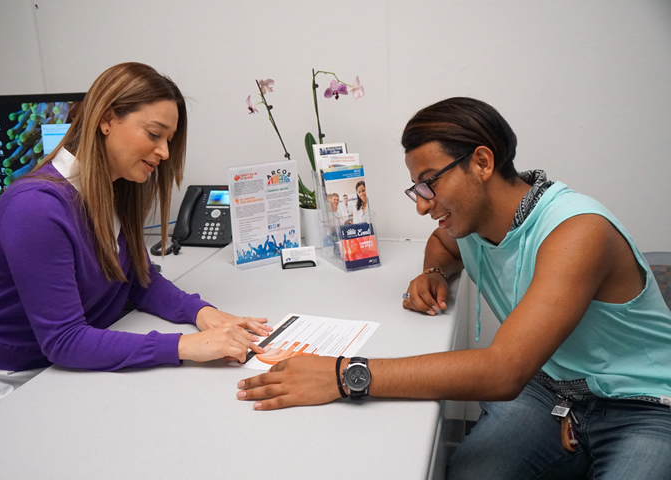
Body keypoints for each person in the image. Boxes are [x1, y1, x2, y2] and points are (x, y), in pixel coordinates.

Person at [236, 97, 671, 479]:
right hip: (552, 388)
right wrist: (435, 274)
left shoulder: (579, 232)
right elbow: (443, 243)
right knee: (470, 472)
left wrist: (346, 374)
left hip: (646, 405)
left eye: (430, 183)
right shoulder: (471, 223)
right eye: (417, 189)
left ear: (482, 162)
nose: (424, 204)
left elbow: (504, 371)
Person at [0, 62, 270, 432]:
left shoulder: (112, 191)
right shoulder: (35, 206)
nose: (164, 152)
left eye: (169, 140)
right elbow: (65, 340)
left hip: (53, 373)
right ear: (106, 120)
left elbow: (139, 279)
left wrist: (202, 313)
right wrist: (185, 346)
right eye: (154, 134)